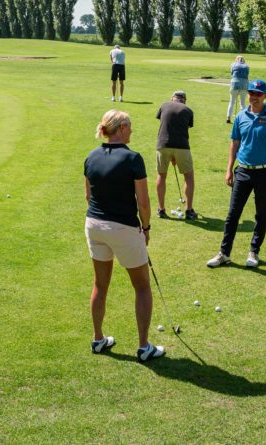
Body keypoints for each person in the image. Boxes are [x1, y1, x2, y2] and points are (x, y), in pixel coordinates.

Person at [84, 109, 165, 361]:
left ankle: (98, 339)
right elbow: (143, 203)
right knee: (141, 287)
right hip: (123, 229)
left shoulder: (91, 156)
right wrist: (147, 228)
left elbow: (88, 196)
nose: (132, 129)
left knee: (100, 284)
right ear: (120, 128)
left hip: (94, 225)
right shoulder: (133, 159)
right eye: (129, 125)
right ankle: (143, 347)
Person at [207, 80, 266, 269]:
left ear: (265, 96)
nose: (254, 97)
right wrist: (228, 169)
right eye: (251, 93)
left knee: (261, 214)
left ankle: (254, 252)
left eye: (258, 94)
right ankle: (224, 253)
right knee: (233, 214)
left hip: (265, 172)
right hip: (242, 171)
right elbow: (235, 143)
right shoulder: (241, 116)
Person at [155, 90, 197, 220]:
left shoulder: (163, 105)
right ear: (184, 100)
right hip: (182, 146)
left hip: (162, 145)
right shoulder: (188, 110)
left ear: (172, 98)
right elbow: (183, 128)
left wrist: (172, 154)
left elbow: (166, 124)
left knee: (161, 176)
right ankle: (189, 210)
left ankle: (161, 209)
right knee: (188, 176)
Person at [227, 56, 249, 123]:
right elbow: (247, 75)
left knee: (232, 102)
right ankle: (242, 119)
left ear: (236, 60)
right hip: (244, 85)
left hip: (234, 84)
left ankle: (228, 117)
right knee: (242, 103)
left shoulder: (233, 64)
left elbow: (232, 74)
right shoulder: (247, 66)